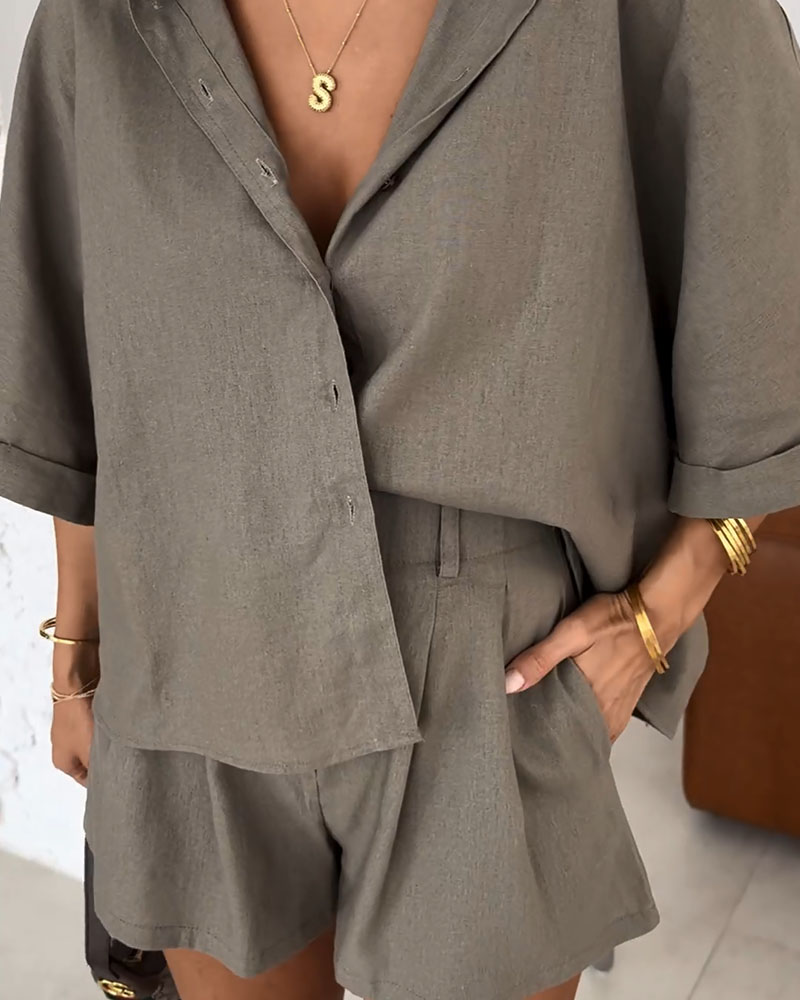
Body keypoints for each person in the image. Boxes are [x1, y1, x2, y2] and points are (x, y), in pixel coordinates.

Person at [1, 0, 799, 998]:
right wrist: (75, 647)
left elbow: (763, 337)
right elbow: (74, 363)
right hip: (191, 643)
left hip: (488, 671)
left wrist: (658, 616)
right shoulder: (106, 22)